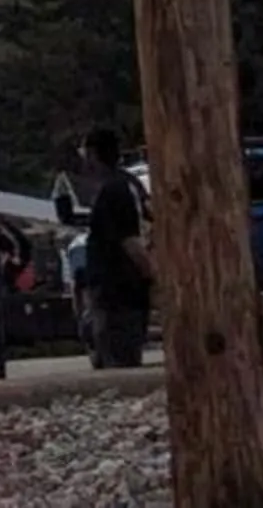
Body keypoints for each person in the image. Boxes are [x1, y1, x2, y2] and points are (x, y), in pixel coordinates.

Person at [74, 126, 152, 369]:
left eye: (84, 151)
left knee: (117, 358)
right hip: (126, 288)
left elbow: (129, 239)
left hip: (116, 290)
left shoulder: (112, 190)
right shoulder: (129, 183)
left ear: (93, 154)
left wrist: (151, 271)